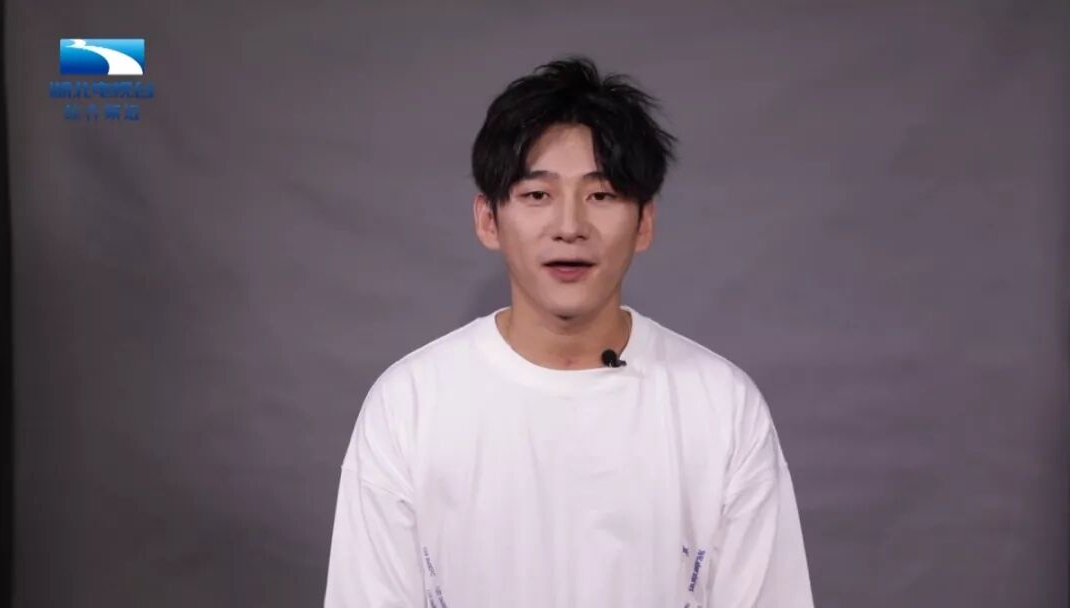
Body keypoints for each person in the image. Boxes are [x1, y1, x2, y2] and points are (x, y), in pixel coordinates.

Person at [323, 55, 815, 608]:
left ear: (644, 222)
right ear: (488, 219)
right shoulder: (409, 405)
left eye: (601, 195)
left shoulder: (721, 405)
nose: (570, 227)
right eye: (538, 195)